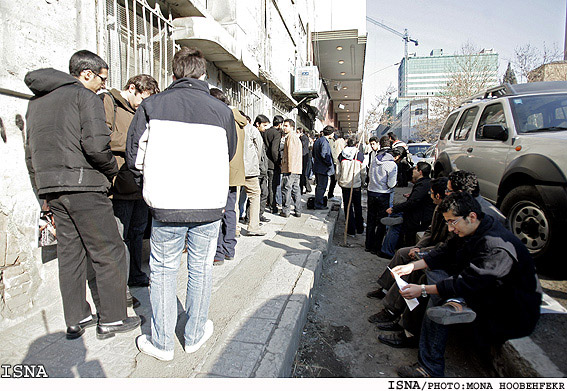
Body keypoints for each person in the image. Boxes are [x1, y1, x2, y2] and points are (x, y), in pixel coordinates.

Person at [127, 47, 237, 361]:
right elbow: (227, 153)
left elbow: (135, 159)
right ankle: (193, 334)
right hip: (208, 204)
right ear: (204, 75)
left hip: (166, 204)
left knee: (161, 272)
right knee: (200, 269)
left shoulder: (151, 105)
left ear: (173, 75)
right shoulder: (222, 111)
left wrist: (152, 191)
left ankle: (162, 343)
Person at [24, 50, 141, 340]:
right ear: (86, 73)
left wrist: (43, 190)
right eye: (102, 78)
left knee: (70, 254)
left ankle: (77, 318)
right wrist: (112, 171)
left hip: (53, 189)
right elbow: (95, 144)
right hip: (85, 186)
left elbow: (30, 153)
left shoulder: (36, 103)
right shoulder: (84, 97)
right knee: (109, 250)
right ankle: (113, 318)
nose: (103, 85)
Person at [394, 192, 542, 377]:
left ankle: (430, 369)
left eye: (452, 222)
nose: (449, 228)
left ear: (471, 216)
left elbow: (469, 282)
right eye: (447, 222)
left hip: (509, 309)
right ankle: (413, 332)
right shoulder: (475, 227)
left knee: (438, 300)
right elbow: (446, 251)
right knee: (429, 279)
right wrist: (411, 266)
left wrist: (423, 290)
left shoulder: (495, 246)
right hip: (483, 288)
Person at [103, 74, 160, 290]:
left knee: (138, 231)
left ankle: (135, 274)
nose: (144, 104)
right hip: (120, 183)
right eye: (143, 98)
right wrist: (133, 140)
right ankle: (120, 285)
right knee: (122, 235)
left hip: (139, 183)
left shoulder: (140, 111)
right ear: (133, 88)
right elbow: (103, 136)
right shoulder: (109, 101)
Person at [209, 88, 245, 265]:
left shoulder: (222, 117)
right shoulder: (240, 120)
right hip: (234, 172)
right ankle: (230, 248)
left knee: (218, 212)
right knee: (230, 211)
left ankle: (218, 251)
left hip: (221, 171)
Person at [380, 161, 435, 258]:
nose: (413, 170)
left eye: (415, 169)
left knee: (395, 226)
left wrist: (394, 209)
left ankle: (388, 251)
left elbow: (413, 202)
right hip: (417, 216)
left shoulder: (422, 185)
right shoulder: (425, 183)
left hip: (418, 218)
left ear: (420, 172)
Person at [365, 136, 397, 254]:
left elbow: (368, 175)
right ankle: (376, 247)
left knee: (371, 220)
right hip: (383, 194)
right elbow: (391, 183)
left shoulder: (374, 160)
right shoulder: (391, 164)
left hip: (371, 192)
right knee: (382, 221)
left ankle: (368, 245)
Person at [240, 110, 266, 235]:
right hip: (250, 168)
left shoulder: (231, 127)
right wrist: (255, 162)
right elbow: (259, 148)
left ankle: (233, 228)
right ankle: (253, 226)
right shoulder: (251, 129)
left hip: (235, 169)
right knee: (255, 195)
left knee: (234, 198)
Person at [336, 136, 365, 236]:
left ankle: (351, 230)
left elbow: (337, 171)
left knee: (348, 207)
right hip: (356, 184)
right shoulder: (360, 155)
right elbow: (363, 172)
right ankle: (360, 228)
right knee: (357, 206)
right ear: (356, 144)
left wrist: (339, 181)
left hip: (345, 184)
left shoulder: (341, 156)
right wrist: (362, 182)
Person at [280, 118, 303, 217]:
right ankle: (298, 210)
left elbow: (291, 154)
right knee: (295, 189)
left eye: (286, 126)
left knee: (287, 189)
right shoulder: (293, 137)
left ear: (292, 127)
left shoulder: (291, 137)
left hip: (291, 168)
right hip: (295, 168)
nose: (284, 128)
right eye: (283, 125)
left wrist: (289, 168)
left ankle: (286, 210)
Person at [312, 126, 336, 209]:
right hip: (323, 168)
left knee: (319, 186)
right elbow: (324, 155)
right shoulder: (324, 142)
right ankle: (319, 204)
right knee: (322, 187)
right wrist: (329, 163)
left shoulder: (318, 140)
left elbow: (313, 154)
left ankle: (318, 202)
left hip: (317, 167)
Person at [264, 115, 284, 214]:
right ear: (280, 124)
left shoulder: (266, 131)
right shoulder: (276, 134)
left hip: (265, 162)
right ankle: (273, 206)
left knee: (265, 185)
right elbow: (274, 150)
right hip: (272, 163)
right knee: (273, 186)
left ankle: (266, 203)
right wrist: (278, 162)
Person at [254, 115, 271, 223]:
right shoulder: (254, 134)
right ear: (258, 124)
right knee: (256, 195)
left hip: (262, 170)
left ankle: (259, 214)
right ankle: (251, 216)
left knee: (264, 193)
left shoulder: (260, 135)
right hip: (257, 170)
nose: (265, 128)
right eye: (264, 125)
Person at [299, 127, 313, 194]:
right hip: (304, 156)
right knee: (303, 174)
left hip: (303, 157)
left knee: (303, 174)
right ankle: (307, 187)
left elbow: (301, 145)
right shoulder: (304, 138)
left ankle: (305, 188)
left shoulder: (304, 138)